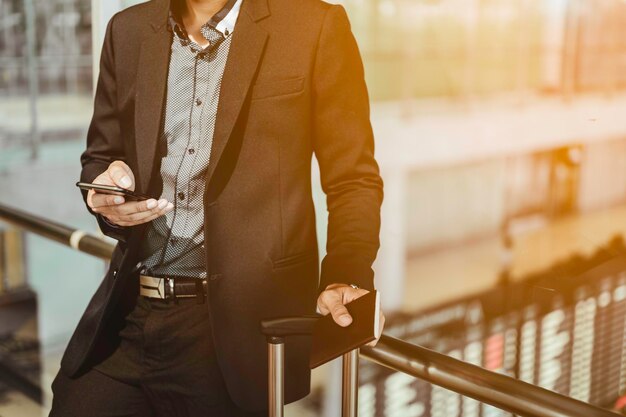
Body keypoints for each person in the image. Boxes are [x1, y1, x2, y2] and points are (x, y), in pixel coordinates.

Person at [49, 0, 384, 415]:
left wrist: (345, 274)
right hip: (130, 312)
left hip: (235, 329)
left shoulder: (313, 26)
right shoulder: (128, 29)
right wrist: (104, 199)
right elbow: (101, 156)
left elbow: (353, 178)